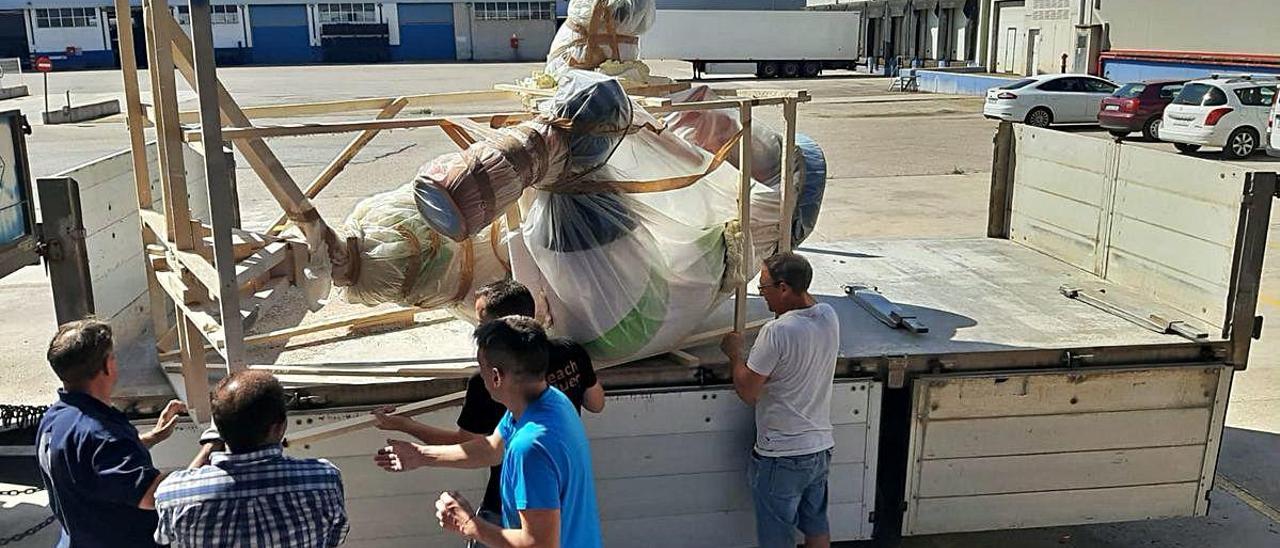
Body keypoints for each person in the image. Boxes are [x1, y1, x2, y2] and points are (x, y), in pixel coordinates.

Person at [371, 279, 603, 541]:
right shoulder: (547, 402)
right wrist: (421, 455)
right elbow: (491, 449)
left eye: (480, 368)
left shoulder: (531, 447)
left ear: (495, 377)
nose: (479, 376)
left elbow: (539, 545)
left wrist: (469, 524)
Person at [720, 252, 840, 548]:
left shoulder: (776, 332)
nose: (762, 297)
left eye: (763, 288)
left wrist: (735, 354)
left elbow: (749, 392)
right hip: (819, 448)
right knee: (816, 528)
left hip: (782, 454)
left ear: (784, 287)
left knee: (777, 538)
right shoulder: (828, 316)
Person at [153, 370, 349, 547]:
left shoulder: (174, 494)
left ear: (218, 429)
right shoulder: (323, 480)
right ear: (279, 427)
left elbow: (164, 537)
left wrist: (210, 446)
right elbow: (335, 537)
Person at [36, 318, 187, 548]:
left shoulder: (55, 419)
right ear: (107, 366)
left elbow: (88, 463)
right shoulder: (100, 434)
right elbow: (151, 494)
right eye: (113, 357)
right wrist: (207, 456)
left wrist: (152, 437)